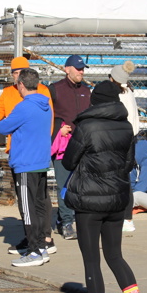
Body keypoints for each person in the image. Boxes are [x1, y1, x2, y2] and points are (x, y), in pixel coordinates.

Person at [62, 80, 147, 293]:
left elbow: (69, 161)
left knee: (92, 260)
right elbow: (128, 163)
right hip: (117, 199)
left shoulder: (87, 126)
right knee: (115, 256)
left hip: (89, 201)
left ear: (96, 101)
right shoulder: (126, 126)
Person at [0, 56, 56, 256]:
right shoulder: (24, 95)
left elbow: (5, 125)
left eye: (20, 73)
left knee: (31, 203)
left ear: (24, 80)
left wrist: (4, 121)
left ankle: (38, 245)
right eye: (15, 72)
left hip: (27, 155)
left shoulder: (34, 97)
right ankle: (36, 240)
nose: (17, 76)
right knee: (34, 200)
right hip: (31, 153)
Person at [0, 68, 53, 267]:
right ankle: (41, 246)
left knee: (27, 209)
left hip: (25, 163)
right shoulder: (45, 105)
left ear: (21, 84)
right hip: (40, 162)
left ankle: (34, 250)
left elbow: (2, 127)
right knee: (38, 206)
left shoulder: (24, 107)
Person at [48, 55, 92, 240]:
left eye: (82, 69)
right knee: (64, 184)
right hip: (63, 145)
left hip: (83, 145)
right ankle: (67, 222)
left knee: (81, 185)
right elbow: (47, 115)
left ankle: (66, 218)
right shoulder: (55, 89)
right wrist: (58, 128)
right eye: (77, 69)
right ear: (67, 69)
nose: (81, 72)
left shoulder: (87, 91)